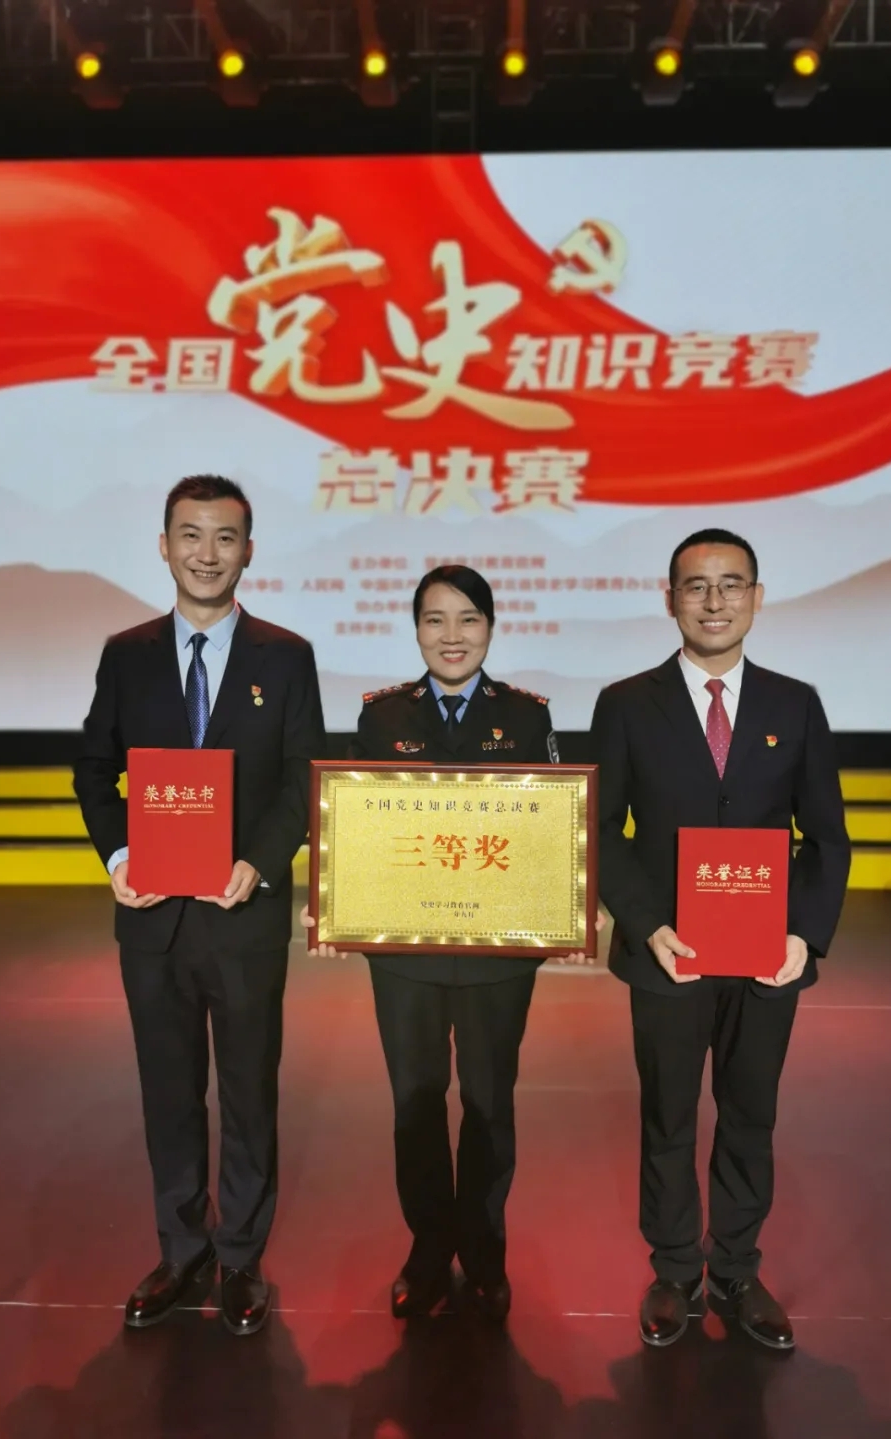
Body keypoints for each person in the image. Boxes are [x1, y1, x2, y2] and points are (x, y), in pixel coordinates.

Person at [74, 474, 325, 1337]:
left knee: (249, 1091)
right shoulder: (127, 654)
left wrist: (259, 862)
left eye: (225, 537)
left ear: (249, 551)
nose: (207, 553)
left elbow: (301, 780)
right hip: (152, 918)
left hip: (242, 914)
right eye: (191, 534)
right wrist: (118, 855)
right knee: (168, 1093)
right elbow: (93, 770)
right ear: (164, 545)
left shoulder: (285, 657)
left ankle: (242, 1257)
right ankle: (182, 1249)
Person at [305, 565, 591, 1322]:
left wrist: (567, 912)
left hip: (499, 953)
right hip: (406, 952)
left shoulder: (526, 716)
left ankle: (485, 1251)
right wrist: (335, 905)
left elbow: (553, 830)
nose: (452, 636)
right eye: (435, 620)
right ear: (416, 629)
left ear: (491, 628)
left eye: (468, 619)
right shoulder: (381, 716)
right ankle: (429, 1248)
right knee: (415, 1101)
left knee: (490, 1103)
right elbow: (356, 828)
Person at [590, 528, 850, 1352]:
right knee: (668, 1115)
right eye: (696, 586)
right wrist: (646, 924)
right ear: (669, 597)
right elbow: (603, 830)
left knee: (749, 1113)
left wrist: (805, 936)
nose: (714, 601)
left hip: (767, 958)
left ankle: (735, 1267)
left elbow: (828, 836)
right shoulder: (626, 703)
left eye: (731, 584)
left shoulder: (794, 703)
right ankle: (674, 1270)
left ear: (757, 597)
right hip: (667, 953)